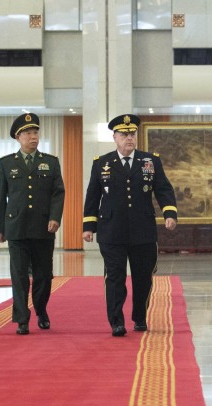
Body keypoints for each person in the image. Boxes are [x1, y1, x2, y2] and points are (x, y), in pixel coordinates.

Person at [82, 114, 178, 337]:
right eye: (124, 134)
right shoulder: (102, 163)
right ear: (114, 137)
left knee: (142, 277)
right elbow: (92, 196)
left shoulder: (150, 161)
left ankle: (140, 317)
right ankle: (116, 321)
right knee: (114, 278)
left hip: (142, 231)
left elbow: (163, 189)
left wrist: (169, 213)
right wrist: (89, 226)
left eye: (132, 134)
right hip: (112, 231)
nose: (129, 138)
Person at [0, 113, 65, 335]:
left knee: (44, 275)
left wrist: (55, 217)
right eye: (28, 133)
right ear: (18, 137)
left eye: (35, 132)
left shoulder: (50, 162)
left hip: (44, 227)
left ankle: (41, 310)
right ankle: (21, 318)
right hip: (16, 227)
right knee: (19, 275)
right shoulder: (6, 163)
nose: (33, 137)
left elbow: (58, 193)